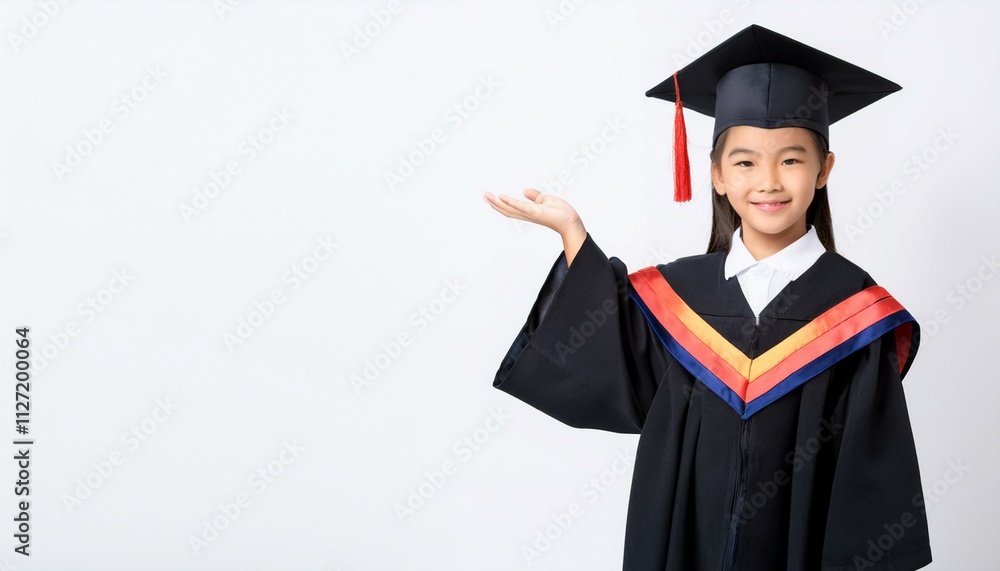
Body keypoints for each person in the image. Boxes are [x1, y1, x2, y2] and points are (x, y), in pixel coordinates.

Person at [482, 24, 931, 571]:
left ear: (824, 171)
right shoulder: (678, 295)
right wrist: (574, 236)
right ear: (716, 175)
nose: (767, 180)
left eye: (790, 159)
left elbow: (871, 486)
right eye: (744, 162)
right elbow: (615, 370)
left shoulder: (856, 314)